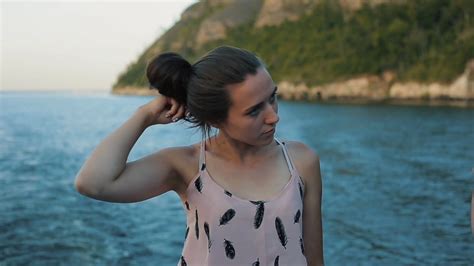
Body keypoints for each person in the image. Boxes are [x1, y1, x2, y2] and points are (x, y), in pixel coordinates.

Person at [75, 46, 324, 266]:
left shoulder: (301, 161)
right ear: (215, 118)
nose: (273, 116)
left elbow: (313, 259)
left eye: (272, 98)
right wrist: (145, 116)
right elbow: (93, 183)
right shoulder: (188, 166)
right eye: (254, 110)